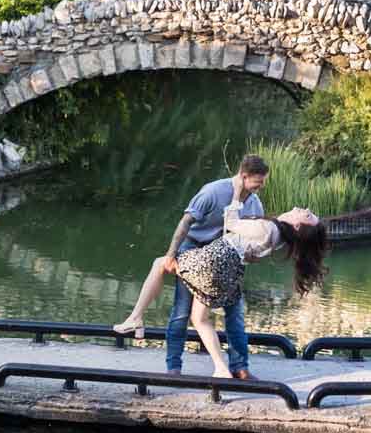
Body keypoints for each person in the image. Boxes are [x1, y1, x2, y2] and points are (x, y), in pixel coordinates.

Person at [113, 155, 329, 380]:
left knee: (163, 268)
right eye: (259, 181)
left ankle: (137, 318)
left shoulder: (262, 217)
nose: (297, 207)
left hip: (215, 260)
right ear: (244, 176)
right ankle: (213, 368)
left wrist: (236, 197)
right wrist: (173, 253)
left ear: (297, 225)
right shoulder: (217, 193)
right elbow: (187, 223)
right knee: (194, 317)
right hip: (213, 259)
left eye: (304, 213)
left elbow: (234, 225)